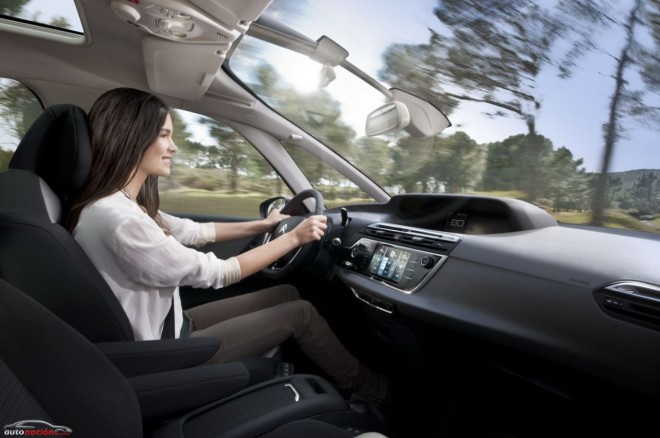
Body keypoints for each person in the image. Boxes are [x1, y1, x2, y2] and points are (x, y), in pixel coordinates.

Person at [67, 87, 389, 404]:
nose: (173, 147)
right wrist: (293, 237)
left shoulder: (120, 206)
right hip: (164, 352)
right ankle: (371, 390)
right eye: (164, 135)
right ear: (132, 137)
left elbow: (194, 231)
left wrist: (263, 225)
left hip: (170, 325)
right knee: (301, 314)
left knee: (286, 293)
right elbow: (218, 273)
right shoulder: (122, 220)